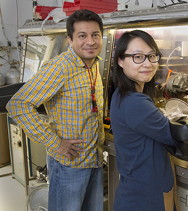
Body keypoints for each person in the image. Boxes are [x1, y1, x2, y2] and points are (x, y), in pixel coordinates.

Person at [6, 9, 105, 211]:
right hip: (69, 165)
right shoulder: (59, 67)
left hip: (93, 158)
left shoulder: (94, 65)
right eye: (82, 36)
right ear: (70, 39)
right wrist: (55, 142)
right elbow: (18, 104)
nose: (90, 41)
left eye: (95, 35)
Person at [110, 30, 178, 211]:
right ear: (120, 60)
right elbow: (175, 137)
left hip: (134, 192)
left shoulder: (122, 94)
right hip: (144, 199)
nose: (147, 63)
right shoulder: (135, 102)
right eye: (138, 57)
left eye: (151, 56)